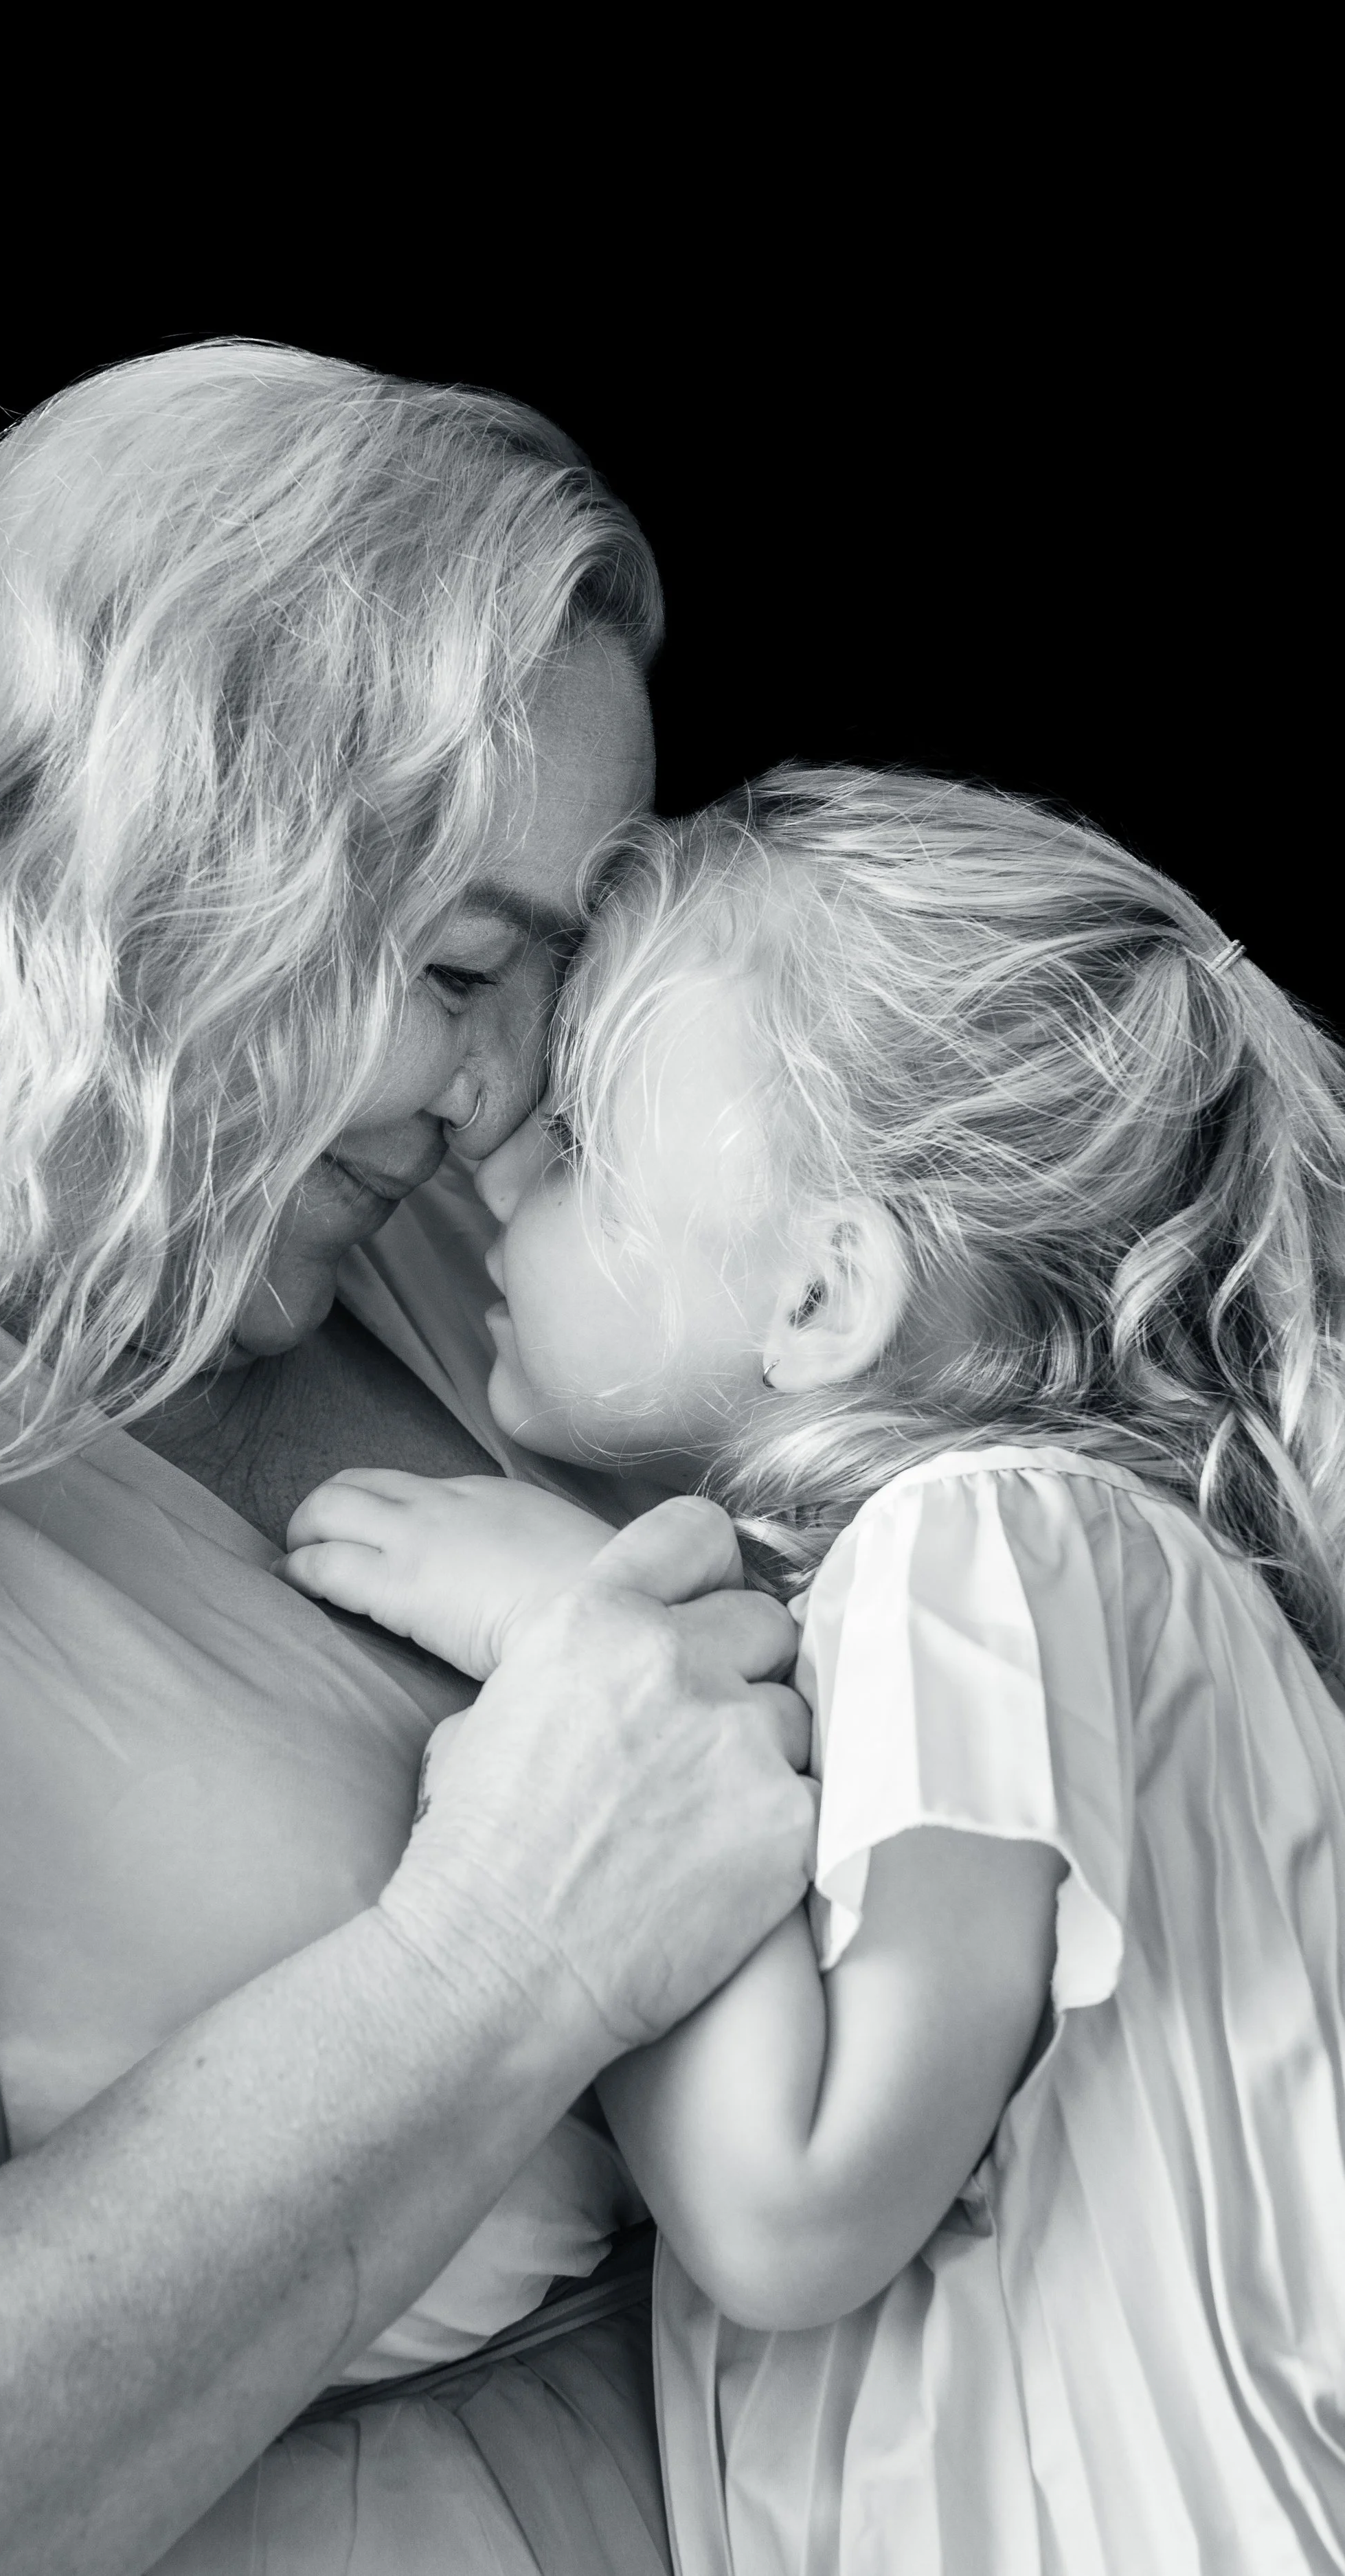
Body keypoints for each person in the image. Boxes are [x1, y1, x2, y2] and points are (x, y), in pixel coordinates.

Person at [0, 348, 819, 2575]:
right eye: (464, 962)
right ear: (140, 868)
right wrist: (495, 1961)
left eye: (545, 986)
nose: (500, 1088)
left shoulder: (447, 1258)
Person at [286, 766, 1345, 2573]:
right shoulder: (1042, 1573)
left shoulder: (988, 1549)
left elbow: (794, 2204)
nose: (493, 1171)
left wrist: (577, 1644)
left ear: (815, 1302)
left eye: (582, 1150)